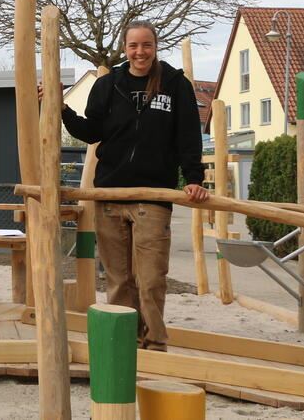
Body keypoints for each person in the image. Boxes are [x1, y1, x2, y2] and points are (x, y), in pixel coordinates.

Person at [54, 19, 208, 351]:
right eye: (133, 46)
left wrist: (194, 178)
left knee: (151, 278)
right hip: (110, 192)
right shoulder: (109, 86)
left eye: (146, 45)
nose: (140, 52)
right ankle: (124, 341)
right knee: (118, 278)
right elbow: (92, 131)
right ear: (125, 49)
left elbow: (188, 136)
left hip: (152, 195)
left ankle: (154, 341)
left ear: (155, 46)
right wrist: (62, 109)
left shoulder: (174, 84)